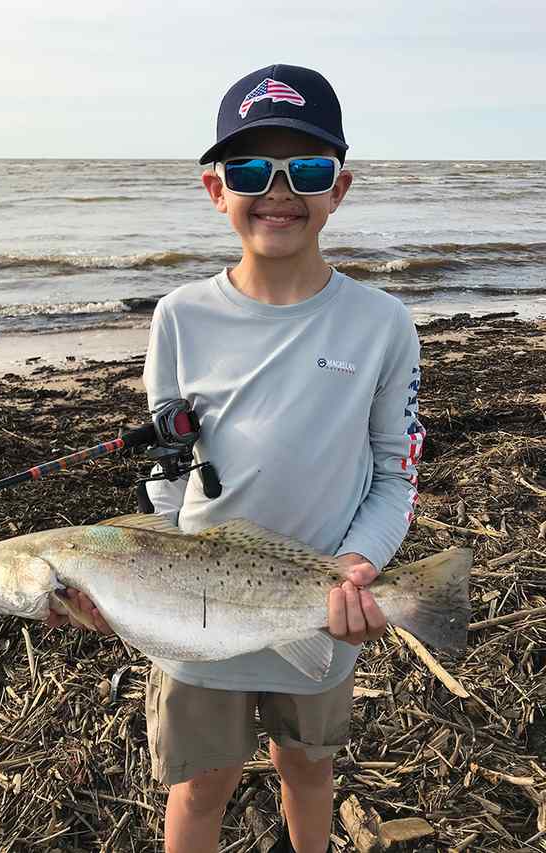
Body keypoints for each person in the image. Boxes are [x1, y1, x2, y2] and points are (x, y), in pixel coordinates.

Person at [49, 63, 425, 853]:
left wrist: (360, 566)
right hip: (195, 612)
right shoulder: (179, 317)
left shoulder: (383, 324)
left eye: (307, 170)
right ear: (217, 190)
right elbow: (165, 474)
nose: (279, 191)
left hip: (318, 602)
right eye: (252, 169)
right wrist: (124, 586)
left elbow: (395, 472)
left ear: (341, 186)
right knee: (198, 785)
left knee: (310, 770)